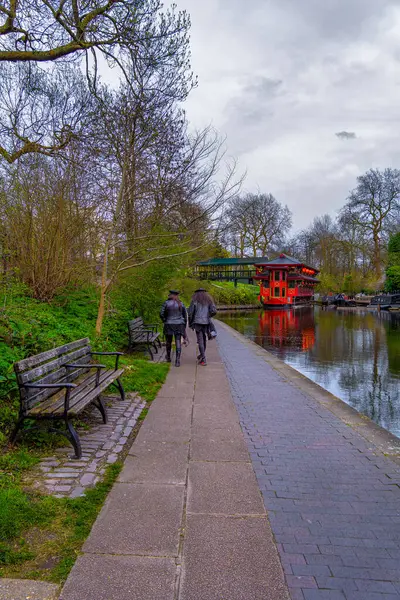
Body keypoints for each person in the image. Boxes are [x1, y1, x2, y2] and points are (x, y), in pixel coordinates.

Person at [188, 288, 217, 366]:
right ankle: (202, 355)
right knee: (204, 339)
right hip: (206, 322)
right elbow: (214, 311)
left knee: (200, 340)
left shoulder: (194, 300)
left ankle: (203, 359)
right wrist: (208, 316)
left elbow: (190, 313)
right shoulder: (209, 300)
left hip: (197, 322)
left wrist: (190, 323)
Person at [160, 290, 187, 367]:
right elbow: (185, 316)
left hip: (169, 324)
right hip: (179, 325)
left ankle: (168, 357)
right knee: (178, 341)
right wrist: (184, 326)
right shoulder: (181, 303)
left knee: (168, 341)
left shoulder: (166, 303)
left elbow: (161, 313)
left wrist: (165, 320)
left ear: (170, 295)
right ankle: (177, 361)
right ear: (177, 296)